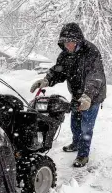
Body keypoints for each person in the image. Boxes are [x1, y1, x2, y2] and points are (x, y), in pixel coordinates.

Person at [30, 22, 106, 167]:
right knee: (75, 123)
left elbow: (95, 76)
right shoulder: (65, 55)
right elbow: (59, 71)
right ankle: (76, 143)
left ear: (78, 40)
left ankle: (83, 155)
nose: (68, 46)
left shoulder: (91, 52)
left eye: (70, 42)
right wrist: (46, 80)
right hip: (77, 94)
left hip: (92, 96)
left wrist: (87, 95)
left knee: (86, 127)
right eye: (65, 43)